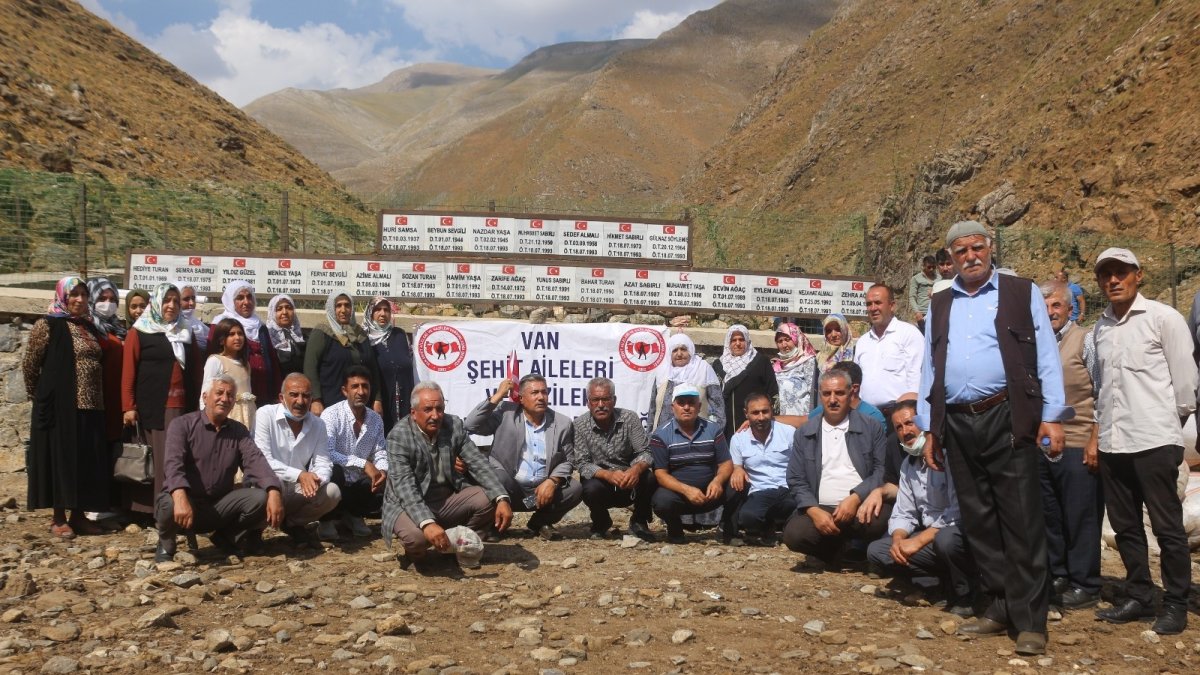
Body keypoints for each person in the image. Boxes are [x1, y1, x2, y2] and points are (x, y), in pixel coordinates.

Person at [918, 220, 1069, 656]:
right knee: (980, 519)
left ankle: (1030, 620)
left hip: (1007, 414)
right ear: (950, 258)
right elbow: (930, 366)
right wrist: (932, 427)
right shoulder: (941, 302)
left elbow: (1045, 356)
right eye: (960, 251)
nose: (970, 256)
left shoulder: (1021, 292)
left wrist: (1052, 416)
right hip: (958, 421)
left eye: (976, 247)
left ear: (990, 248)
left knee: (1021, 518)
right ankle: (999, 604)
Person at [1088, 248, 1197, 635]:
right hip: (1115, 441)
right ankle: (1139, 594)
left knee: (1167, 527)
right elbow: (1101, 388)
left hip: (1154, 439)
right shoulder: (1100, 328)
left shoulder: (1163, 319)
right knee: (1126, 525)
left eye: (1121, 273)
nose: (1113, 281)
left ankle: (1175, 604)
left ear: (1139, 275)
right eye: (1106, 275)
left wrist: (1170, 426)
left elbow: (1186, 384)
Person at [383, 381, 513, 572]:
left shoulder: (454, 425)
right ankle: (415, 555)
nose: (435, 416)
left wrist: (502, 498)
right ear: (413, 413)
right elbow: (405, 488)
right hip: (406, 503)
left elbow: (478, 463)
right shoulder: (398, 436)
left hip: (445, 498)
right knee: (417, 539)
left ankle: (460, 545)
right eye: (428, 409)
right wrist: (427, 523)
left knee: (490, 498)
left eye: (439, 409)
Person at [155, 374, 284, 561]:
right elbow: (173, 465)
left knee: (261, 497)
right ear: (205, 397)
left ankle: (226, 538)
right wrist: (180, 495)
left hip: (219, 505)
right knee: (168, 501)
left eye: (230, 395)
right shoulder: (182, 425)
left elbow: (256, 462)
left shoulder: (238, 431)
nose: (224, 399)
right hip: (186, 504)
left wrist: (274, 490)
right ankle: (166, 544)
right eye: (219, 393)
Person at [866, 401, 973, 616]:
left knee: (947, 540)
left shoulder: (949, 457)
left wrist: (919, 540)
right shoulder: (908, 465)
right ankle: (936, 582)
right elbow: (904, 511)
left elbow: (958, 512)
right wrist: (898, 540)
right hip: (928, 536)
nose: (905, 431)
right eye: (899, 427)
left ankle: (967, 594)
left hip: (957, 534)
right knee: (877, 551)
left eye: (910, 423)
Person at [23, 276, 110, 539]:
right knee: (61, 459)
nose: (80, 300)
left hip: (91, 406)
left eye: (84, 295)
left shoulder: (90, 327)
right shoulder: (47, 325)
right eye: (74, 295)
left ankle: (79, 516)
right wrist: (40, 397)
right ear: (63, 297)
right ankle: (59, 518)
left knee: (85, 459)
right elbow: (30, 365)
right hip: (61, 406)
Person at [1037, 280, 1103, 611]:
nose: (1051, 313)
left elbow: (1103, 391)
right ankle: (1059, 573)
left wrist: (1095, 437)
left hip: (1078, 440)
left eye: (1056, 306)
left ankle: (1086, 583)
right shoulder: (1038, 344)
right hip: (1045, 444)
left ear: (1069, 308)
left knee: (1081, 516)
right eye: (1045, 306)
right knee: (1051, 515)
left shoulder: (1086, 340)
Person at [782, 369, 887, 567]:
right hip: (821, 507)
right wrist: (813, 511)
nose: (833, 399)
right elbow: (795, 478)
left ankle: (855, 550)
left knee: (880, 520)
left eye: (839, 393)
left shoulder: (872, 427)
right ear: (819, 395)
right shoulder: (805, 432)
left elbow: (880, 470)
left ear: (851, 393)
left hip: (858, 506)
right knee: (795, 534)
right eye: (826, 393)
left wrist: (855, 498)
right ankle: (837, 552)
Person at [463, 374, 582, 539]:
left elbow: (568, 460)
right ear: (521, 398)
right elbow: (471, 424)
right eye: (534, 393)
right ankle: (496, 524)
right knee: (494, 476)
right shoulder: (506, 413)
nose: (541, 397)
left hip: (541, 492)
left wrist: (552, 481)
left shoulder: (562, 423)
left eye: (544, 392)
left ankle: (539, 523)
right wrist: (497, 396)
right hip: (509, 488)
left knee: (574, 489)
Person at [122, 283, 201, 518]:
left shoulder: (185, 332)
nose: (172, 305)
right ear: (156, 302)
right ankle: (158, 510)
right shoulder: (140, 331)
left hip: (182, 407)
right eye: (166, 300)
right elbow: (129, 373)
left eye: (176, 301)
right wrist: (128, 406)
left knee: (178, 457)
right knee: (158, 458)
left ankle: (177, 508)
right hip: (154, 407)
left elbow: (196, 371)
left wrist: (199, 405)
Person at [254, 373, 340, 548]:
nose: (300, 401)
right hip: (268, 487)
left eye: (306, 396)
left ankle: (292, 524)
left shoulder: (318, 424)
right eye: (294, 395)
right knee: (270, 484)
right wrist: (300, 474)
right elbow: (262, 460)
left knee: (332, 492)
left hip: (296, 490)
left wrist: (316, 479)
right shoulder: (265, 414)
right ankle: (254, 530)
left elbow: (323, 462)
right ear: (281, 397)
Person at [571, 377, 656, 541]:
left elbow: (645, 451)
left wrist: (635, 470)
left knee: (650, 478)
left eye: (606, 399)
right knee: (589, 488)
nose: (601, 404)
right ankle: (601, 522)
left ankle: (639, 521)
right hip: (602, 481)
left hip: (629, 479)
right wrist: (607, 475)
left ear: (614, 400)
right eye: (596, 400)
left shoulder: (630, 418)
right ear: (588, 403)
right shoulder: (579, 425)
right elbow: (582, 463)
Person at [649, 384, 734, 544]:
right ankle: (675, 529)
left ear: (699, 406)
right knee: (661, 501)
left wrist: (718, 481)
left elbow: (726, 463)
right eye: (681, 402)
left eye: (691, 402)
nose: (686, 407)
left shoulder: (713, 429)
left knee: (738, 484)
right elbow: (660, 474)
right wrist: (687, 490)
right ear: (672, 406)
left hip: (711, 493)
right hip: (680, 495)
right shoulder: (660, 435)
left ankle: (728, 529)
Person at [319, 365, 388, 540]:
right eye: (355, 386)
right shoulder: (331, 414)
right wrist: (363, 463)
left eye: (365, 386)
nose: (361, 391)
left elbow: (380, 451)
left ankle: (354, 516)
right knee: (332, 470)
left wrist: (382, 471)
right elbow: (327, 452)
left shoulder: (375, 419)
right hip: (338, 479)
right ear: (344, 390)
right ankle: (327, 520)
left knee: (385, 476)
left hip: (357, 483)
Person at [725, 393, 796, 545]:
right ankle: (766, 526)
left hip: (788, 488)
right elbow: (736, 465)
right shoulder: (738, 439)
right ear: (746, 414)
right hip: (760, 490)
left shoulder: (788, 433)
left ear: (772, 411)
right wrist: (737, 469)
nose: (761, 417)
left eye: (765, 411)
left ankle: (786, 527)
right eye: (755, 413)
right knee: (749, 517)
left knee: (798, 509)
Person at [854, 284, 923, 423]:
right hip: (866, 418)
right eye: (869, 304)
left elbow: (917, 378)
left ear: (892, 305)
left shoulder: (909, 334)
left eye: (878, 303)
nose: (873, 308)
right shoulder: (862, 342)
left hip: (898, 418)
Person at [305, 291, 381, 416]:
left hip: (360, 405)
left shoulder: (360, 334)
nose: (343, 310)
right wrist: (315, 400)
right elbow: (310, 368)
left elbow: (373, 369)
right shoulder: (322, 333)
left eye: (347, 305)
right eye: (338, 306)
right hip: (330, 405)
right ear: (331, 308)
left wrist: (377, 399)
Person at [209, 280, 279, 407]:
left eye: (249, 297)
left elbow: (272, 360)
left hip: (263, 391)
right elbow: (213, 359)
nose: (246, 302)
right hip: (235, 395)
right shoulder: (221, 325)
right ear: (230, 301)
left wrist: (276, 393)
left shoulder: (260, 326)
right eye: (240, 298)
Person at [648, 333, 724, 432]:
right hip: (663, 437)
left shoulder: (703, 368)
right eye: (675, 350)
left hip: (697, 437)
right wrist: (650, 434)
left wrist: (715, 433)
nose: (679, 354)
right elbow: (653, 408)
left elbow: (718, 406)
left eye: (683, 349)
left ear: (690, 351)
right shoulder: (662, 371)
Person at [87, 278, 126, 467]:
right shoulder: (86, 328)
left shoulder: (118, 328)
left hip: (115, 400)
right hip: (94, 401)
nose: (107, 304)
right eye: (102, 298)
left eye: (112, 300)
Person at [714, 324, 778, 439]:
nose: (737, 343)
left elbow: (773, 392)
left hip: (755, 425)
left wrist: (767, 419)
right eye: (733, 340)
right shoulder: (718, 365)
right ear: (728, 342)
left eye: (741, 339)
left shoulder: (761, 362)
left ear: (747, 341)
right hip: (725, 428)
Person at [363, 296, 414, 434]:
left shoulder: (400, 335)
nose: (382, 313)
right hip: (379, 403)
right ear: (370, 313)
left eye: (386, 309)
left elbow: (411, 364)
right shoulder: (364, 338)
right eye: (377, 309)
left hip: (404, 400)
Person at [202, 318, 256, 431]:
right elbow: (205, 393)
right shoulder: (216, 361)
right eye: (232, 334)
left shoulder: (245, 364)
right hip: (228, 416)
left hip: (248, 416)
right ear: (222, 340)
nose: (237, 338)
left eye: (240, 334)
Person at [771, 322, 818, 420]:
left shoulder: (808, 362)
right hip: (781, 421)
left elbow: (813, 393)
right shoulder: (776, 365)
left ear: (796, 338)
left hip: (802, 420)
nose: (784, 345)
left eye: (788, 340)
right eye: (780, 341)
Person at [267, 294, 305, 377]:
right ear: (272, 313)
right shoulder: (266, 339)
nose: (284, 312)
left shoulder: (301, 338)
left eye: (288, 308)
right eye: (279, 309)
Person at [177, 282, 208, 352]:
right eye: (186, 299)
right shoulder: (171, 325)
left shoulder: (199, 325)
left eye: (193, 298)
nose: (192, 303)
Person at [908, 255, 938, 330]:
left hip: (937, 312)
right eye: (929, 267)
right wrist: (917, 312)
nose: (931, 269)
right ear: (923, 266)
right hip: (923, 314)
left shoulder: (939, 278)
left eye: (933, 267)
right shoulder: (916, 279)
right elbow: (912, 297)